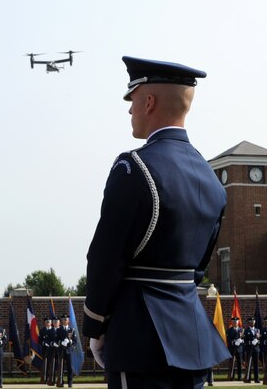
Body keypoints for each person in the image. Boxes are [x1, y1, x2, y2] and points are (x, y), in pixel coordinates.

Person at [83, 56, 230, 389]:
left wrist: (96, 326)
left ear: (148, 101)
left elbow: (105, 258)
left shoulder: (134, 168)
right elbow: (197, 269)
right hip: (192, 337)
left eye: (132, 99)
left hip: (139, 336)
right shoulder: (211, 180)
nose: (129, 109)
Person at [56, 315, 76, 388]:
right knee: (60, 367)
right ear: (61, 321)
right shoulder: (58, 330)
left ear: (68, 321)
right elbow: (56, 340)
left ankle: (70, 383)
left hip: (69, 351)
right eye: (63, 320)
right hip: (61, 350)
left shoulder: (72, 330)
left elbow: (75, 341)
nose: (64, 321)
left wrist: (70, 342)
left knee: (69, 367)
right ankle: (60, 382)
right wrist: (61, 342)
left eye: (66, 320)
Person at [243, 317, 261, 384]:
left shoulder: (257, 330)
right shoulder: (246, 331)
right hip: (249, 349)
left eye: (253, 321)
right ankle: (248, 378)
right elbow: (245, 341)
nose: (253, 322)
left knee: (256, 364)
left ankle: (257, 379)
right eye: (251, 321)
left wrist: (257, 341)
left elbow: (259, 339)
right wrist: (251, 342)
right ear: (248, 323)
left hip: (256, 349)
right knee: (249, 364)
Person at [226, 317, 243, 381]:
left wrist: (241, 341)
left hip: (239, 348)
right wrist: (234, 342)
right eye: (234, 322)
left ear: (238, 322)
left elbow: (244, 338)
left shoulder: (241, 330)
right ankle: (231, 376)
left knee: (239, 362)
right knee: (232, 362)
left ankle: (240, 376)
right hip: (232, 348)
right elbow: (228, 339)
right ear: (232, 323)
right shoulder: (229, 330)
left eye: (236, 322)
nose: (235, 323)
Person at [39, 317, 53, 384]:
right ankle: (43, 378)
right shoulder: (42, 330)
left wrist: (51, 343)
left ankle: (50, 378)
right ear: (45, 323)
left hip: (51, 350)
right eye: (46, 322)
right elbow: (39, 340)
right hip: (45, 349)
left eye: (49, 322)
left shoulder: (53, 330)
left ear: (51, 323)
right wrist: (44, 343)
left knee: (51, 364)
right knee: (44, 364)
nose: (47, 323)